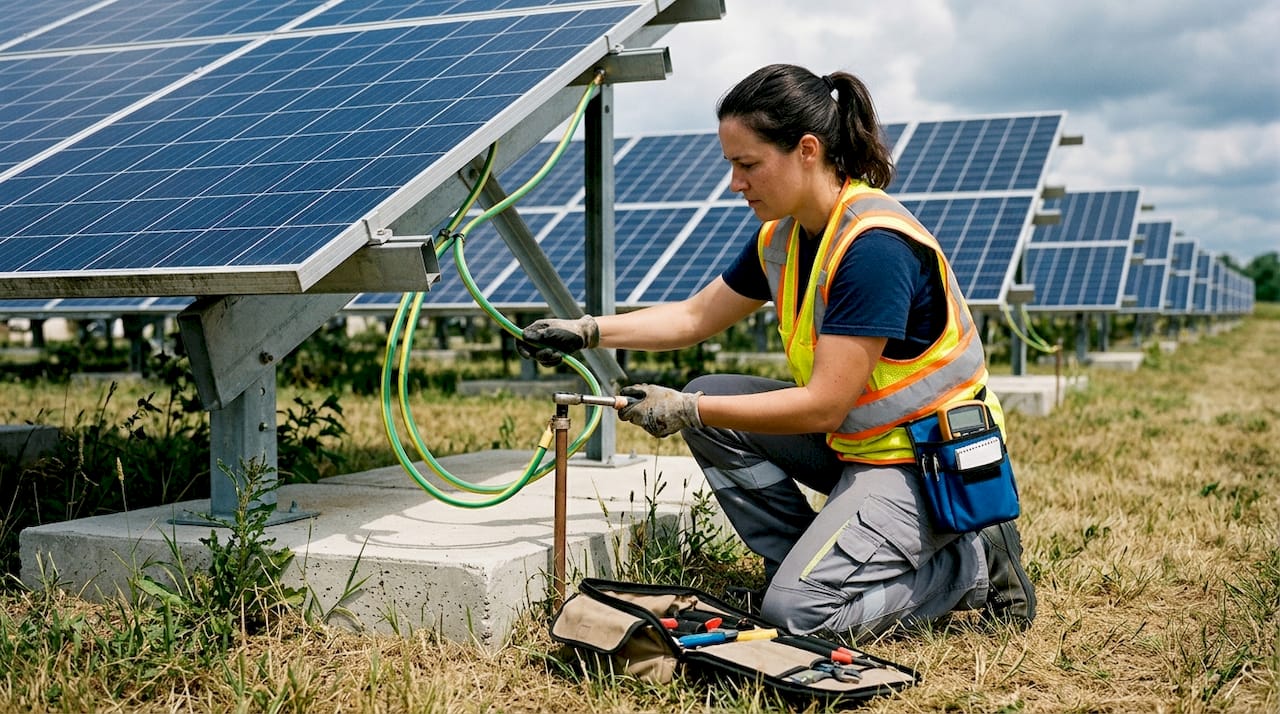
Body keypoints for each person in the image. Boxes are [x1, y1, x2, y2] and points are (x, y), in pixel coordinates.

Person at [519, 64, 1035, 638]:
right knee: (708, 396)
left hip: (924, 462)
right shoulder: (784, 238)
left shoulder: (874, 249)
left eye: (748, 165)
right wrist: (588, 331)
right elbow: (695, 317)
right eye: (730, 166)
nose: (735, 183)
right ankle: (797, 563)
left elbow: (822, 407)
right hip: (859, 447)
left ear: (807, 150)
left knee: (797, 615)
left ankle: (971, 568)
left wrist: (688, 411)